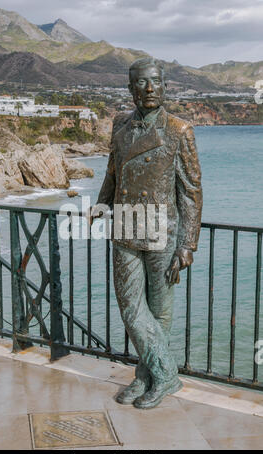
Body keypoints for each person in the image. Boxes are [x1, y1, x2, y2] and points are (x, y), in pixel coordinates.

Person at [92, 57, 203, 409]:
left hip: (162, 232)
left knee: (159, 312)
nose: (149, 88)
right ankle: (167, 375)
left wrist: (187, 244)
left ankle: (147, 377)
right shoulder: (120, 125)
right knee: (130, 308)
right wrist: (101, 204)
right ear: (130, 88)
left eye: (155, 81)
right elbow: (113, 172)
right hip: (124, 225)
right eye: (141, 82)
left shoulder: (178, 130)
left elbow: (191, 191)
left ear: (166, 85)